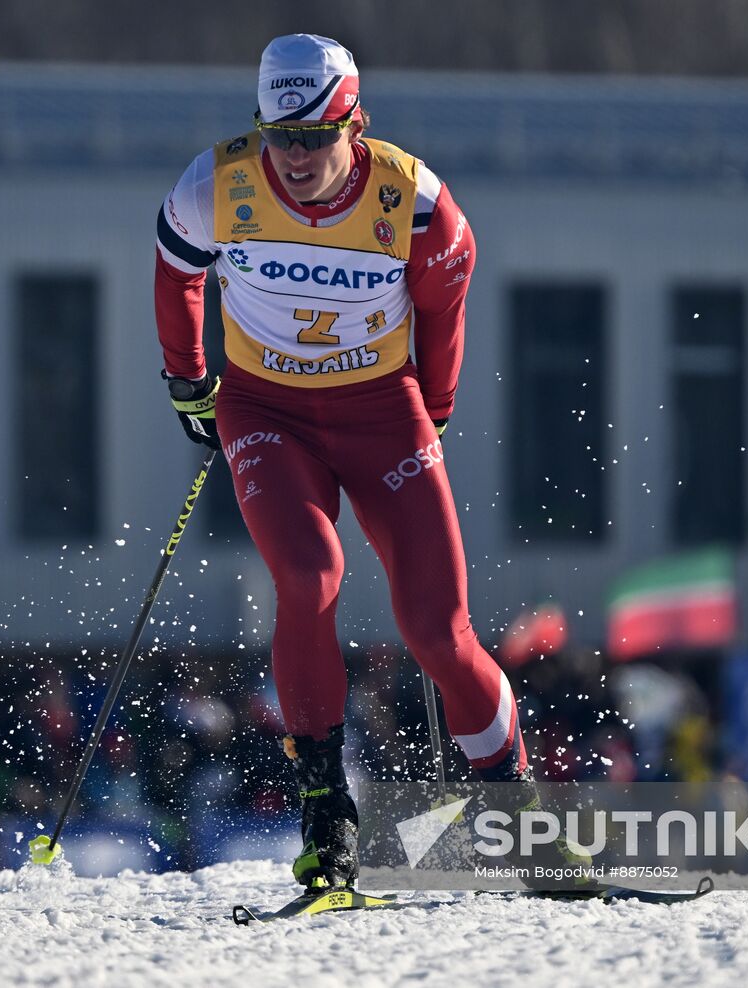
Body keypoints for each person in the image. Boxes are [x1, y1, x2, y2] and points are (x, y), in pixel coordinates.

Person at [154, 34, 530, 892]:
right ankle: (326, 811)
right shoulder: (217, 185)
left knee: (439, 632)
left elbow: (444, 306)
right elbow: (173, 272)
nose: (296, 157)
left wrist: (432, 408)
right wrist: (189, 379)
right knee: (310, 575)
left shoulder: (419, 202)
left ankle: (519, 812)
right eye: (280, 136)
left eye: (317, 137)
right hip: (266, 410)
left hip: (379, 411)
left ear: (354, 124)